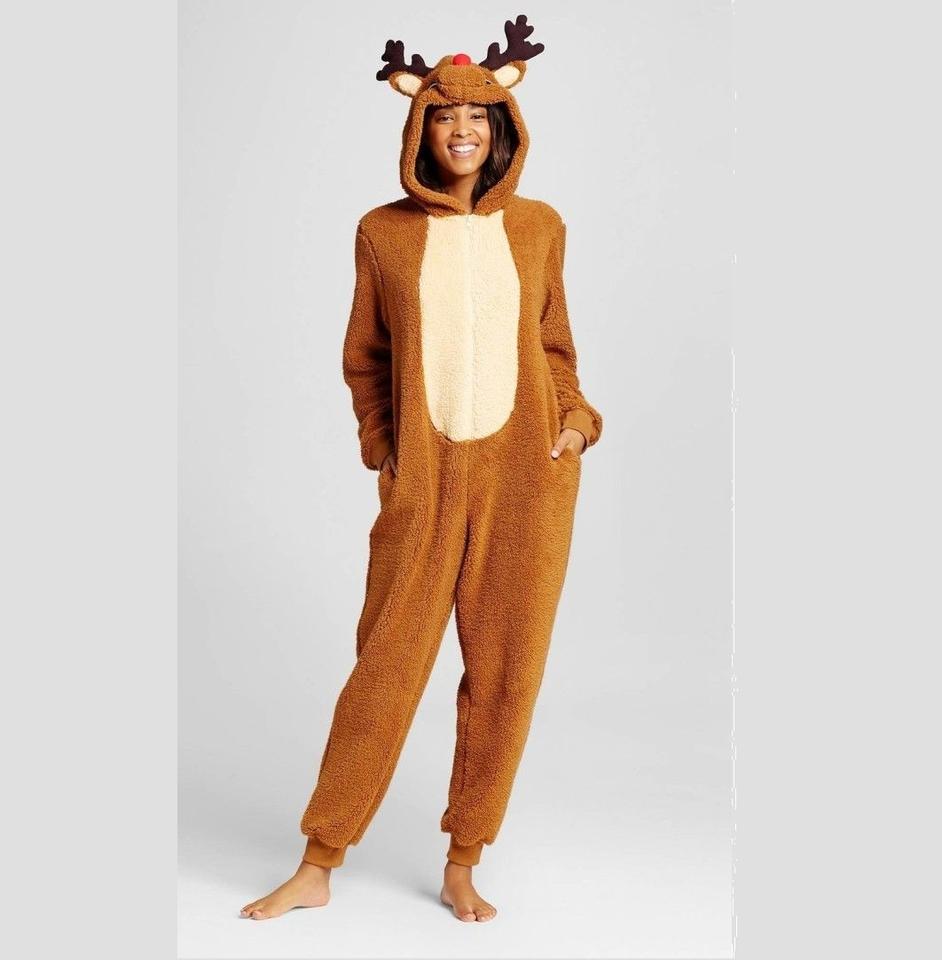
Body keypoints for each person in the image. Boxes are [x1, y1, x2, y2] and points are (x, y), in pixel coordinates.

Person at [240, 14, 603, 923]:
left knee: (507, 673)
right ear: (420, 129)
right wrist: (384, 447)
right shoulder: (384, 233)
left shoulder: (540, 228)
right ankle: (319, 860)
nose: (462, 130)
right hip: (427, 480)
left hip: (527, 480)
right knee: (387, 665)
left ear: (502, 128)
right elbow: (366, 359)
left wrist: (573, 424)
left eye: (478, 116)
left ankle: (464, 860)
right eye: (444, 117)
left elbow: (555, 345)